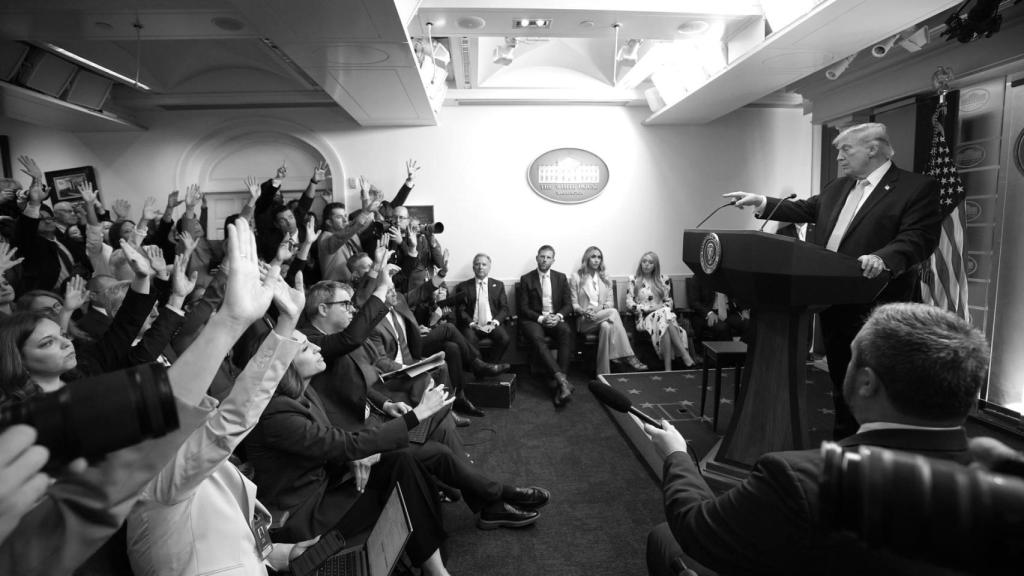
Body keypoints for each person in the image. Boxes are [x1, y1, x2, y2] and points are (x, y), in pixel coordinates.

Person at [0, 217, 284, 575]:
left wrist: (148, 281)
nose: (65, 342)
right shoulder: (22, 424)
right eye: (47, 342)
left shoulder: (81, 375)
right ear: (17, 361)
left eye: (63, 334)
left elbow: (148, 404)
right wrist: (229, 321)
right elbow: (139, 436)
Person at [643, 302, 989, 576]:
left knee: (664, 538)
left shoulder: (798, 479)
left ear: (866, 383)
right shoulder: (1001, 481)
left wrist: (677, 456)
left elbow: (696, 527)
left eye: (851, 357)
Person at [724, 122, 942, 439]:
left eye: (845, 149)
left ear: (873, 148)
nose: (839, 157)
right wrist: (761, 201)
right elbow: (806, 208)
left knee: (877, 382)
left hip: (877, 304)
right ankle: (845, 440)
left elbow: (918, 237)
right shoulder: (838, 187)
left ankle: (877, 444)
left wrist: (883, 258)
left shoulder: (915, 188)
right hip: (833, 301)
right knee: (842, 380)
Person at [126, 269, 315, 576]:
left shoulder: (179, 453)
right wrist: (278, 324)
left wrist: (282, 556)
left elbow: (233, 540)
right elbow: (234, 417)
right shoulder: (159, 475)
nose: (206, 403)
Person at [569, 246, 646, 375]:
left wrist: (599, 308)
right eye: (593, 257)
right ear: (587, 258)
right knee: (613, 312)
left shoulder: (604, 277)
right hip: (585, 320)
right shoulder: (576, 277)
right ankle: (629, 356)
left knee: (606, 326)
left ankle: (603, 373)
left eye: (599, 257)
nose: (596, 260)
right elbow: (574, 304)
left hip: (602, 316)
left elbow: (610, 302)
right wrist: (584, 312)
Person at [517, 245, 574, 407]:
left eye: (548, 257)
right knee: (537, 338)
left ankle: (562, 382)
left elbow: (568, 304)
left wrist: (558, 316)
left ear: (553, 260)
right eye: (542, 256)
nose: (544, 260)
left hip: (555, 318)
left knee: (565, 331)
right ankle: (562, 382)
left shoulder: (560, 278)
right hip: (534, 320)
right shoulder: (526, 279)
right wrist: (542, 319)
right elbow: (523, 308)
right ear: (537, 258)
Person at [627, 252, 696, 371]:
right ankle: (684, 355)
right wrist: (650, 309)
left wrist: (660, 309)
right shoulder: (634, 280)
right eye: (644, 261)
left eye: (650, 262)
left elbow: (669, 302)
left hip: (663, 318)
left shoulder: (663, 280)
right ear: (641, 263)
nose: (646, 264)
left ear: (655, 265)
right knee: (664, 314)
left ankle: (668, 369)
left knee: (664, 321)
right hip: (644, 319)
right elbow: (629, 304)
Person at [455, 253, 512, 363]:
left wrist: (494, 323)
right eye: (477, 264)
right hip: (472, 325)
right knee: (469, 339)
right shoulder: (463, 286)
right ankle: (479, 366)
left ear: (489, 267)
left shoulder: (498, 285)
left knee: (504, 339)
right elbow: (461, 310)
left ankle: (491, 364)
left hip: (492, 324)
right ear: (473, 267)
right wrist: (472, 324)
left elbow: (504, 308)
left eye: (484, 264)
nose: (480, 267)